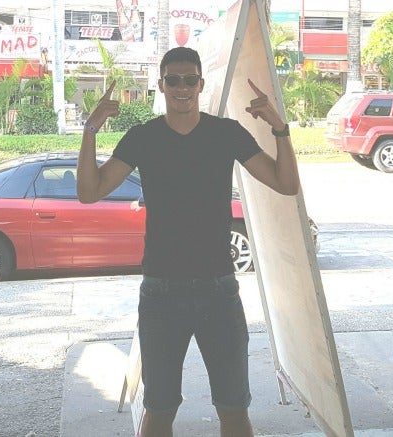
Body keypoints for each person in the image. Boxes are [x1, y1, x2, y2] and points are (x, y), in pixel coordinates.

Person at [76, 47, 300, 437]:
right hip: (162, 294)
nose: (183, 87)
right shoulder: (143, 137)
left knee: (233, 409)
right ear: (161, 85)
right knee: (159, 411)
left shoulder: (226, 133)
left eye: (190, 79)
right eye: (173, 80)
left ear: (201, 83)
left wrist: (280, 128)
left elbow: (285, 183)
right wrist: (89, 130)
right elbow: (89, 191)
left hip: (219, 291)